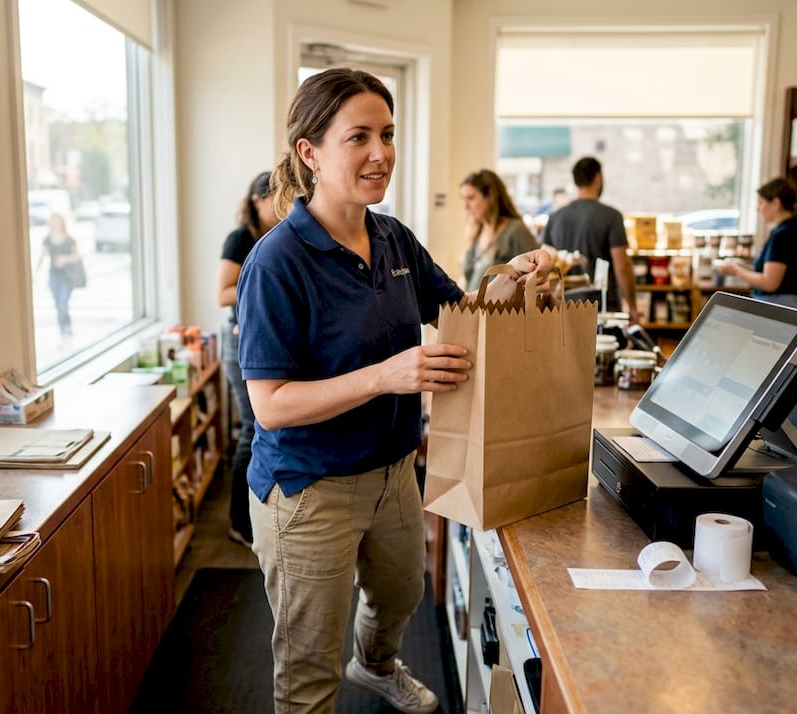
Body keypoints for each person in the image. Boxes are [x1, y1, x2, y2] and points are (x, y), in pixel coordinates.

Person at [237, 67, 552, 713]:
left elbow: (463, 311)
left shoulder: (392, 236)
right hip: (308, 489)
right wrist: (387, 376)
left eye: (387, 134)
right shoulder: (276, 262)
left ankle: (375, 666)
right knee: (307, 667)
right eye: (358, 137)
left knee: (400, 593)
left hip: (395, 472)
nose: (380, 153)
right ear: (311, 153)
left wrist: (512, 280)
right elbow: (270, 405)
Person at [216, 170, 280, 548]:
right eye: (277, 198)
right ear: (257, 200)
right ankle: (240, 522)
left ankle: (256, 515)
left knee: (260, 431)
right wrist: (264, 287)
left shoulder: (276, 236)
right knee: (251, 432)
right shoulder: (240, 238)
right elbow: (223, 292)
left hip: (258, 341)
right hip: (238, 345)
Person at [541, 157, 639, 323]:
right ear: (598, 178)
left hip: (562, 308)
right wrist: (633, 308)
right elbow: (621, 266)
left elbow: (544, 264)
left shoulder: (555, 217)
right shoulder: (611, 217)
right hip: (602, 310)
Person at [717, 177, 797, 309]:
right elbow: (771, 271)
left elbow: (770, 283)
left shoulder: (783, 235)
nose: (758, 208)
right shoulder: (792, 229)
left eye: (761, 203)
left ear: (776, 203)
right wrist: (743, 266)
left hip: (780, 307)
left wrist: (737, 271)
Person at [460, 169, 539, 291]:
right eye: (464, 199)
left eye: (471, 198)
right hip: (474, 308)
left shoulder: (515, 230)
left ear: (489, 197)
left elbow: (536, 277)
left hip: (503, 309)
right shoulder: (477, 233)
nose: (465, 206)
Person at [34, 213, 82, 345]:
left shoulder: (69, 239)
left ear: (61, 223)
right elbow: (41, 257)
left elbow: (78, 257)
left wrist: (65, 259)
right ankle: (65, 330)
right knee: (58, 305)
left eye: (57, 221)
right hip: (54, 277)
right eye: (52, 221)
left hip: (67, 277)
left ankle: (65, 330)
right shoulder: (47, 240)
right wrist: (35, 274)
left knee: (63, 304)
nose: (55, 224)